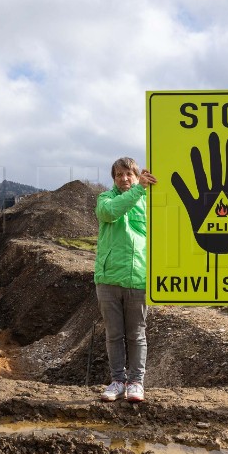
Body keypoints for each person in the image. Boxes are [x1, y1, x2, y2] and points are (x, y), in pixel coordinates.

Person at [94, 157, 157, 402]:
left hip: (138, 279)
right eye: (119, 175)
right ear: (113, 178)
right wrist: (140, 188)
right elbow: (110, 213)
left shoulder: (149, 202)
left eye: (129, 174)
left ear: (136, 174)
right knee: (114, 334)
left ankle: (136, 383)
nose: (124, 179)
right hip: (108, 279)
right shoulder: (105, 200)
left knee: (137, 334)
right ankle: (117, 381)